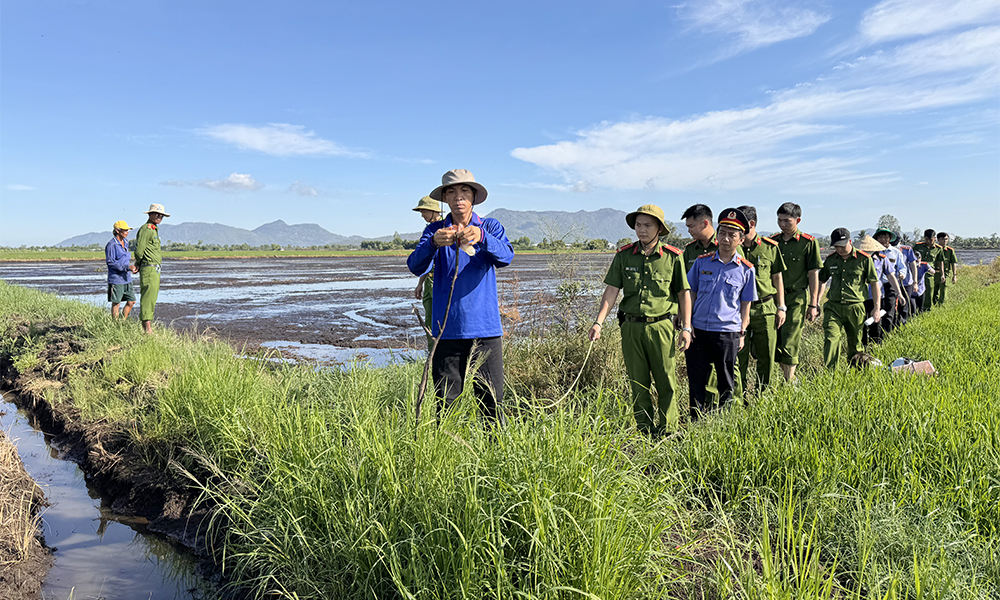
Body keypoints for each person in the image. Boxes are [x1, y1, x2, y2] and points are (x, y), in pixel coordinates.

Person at [406, 169, 513, 424]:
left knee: (491, 404)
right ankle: (447, 457)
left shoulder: (489, 226)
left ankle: (495, 458)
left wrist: (482, 238)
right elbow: (414, 266)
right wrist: (433, 244)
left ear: (474, 196)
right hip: (446, 331)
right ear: (445, 198)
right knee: (446, 405)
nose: (458, 197)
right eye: (451, 192)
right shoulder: (435, 231)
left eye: (464, 191)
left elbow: (507, 256)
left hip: (485, 330)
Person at [588, 205, 691, 436]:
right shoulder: (624, 256)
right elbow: (612, 290)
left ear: (659, 229)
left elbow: (684, 293)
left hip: (661, 327)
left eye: (648, 225)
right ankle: (645, 431)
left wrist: (686, 327)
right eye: (638, 225)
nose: (642, 230)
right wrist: (598, 322)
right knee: (638, 382)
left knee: (666, 381)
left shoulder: (673, 257)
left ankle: (668, 431)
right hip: (632, 328)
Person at [686, 208, 757, 420]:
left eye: (732, 235)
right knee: (697, 380)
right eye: (722, 233)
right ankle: (697, 421)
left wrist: (742, 332)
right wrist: (687, 326)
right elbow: (690, 293)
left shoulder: (746, 269)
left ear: (741, 239)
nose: (725, 238)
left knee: (726, 381)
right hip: (699, 330)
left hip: (727, 332)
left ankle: (724, 423)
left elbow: (746, 306)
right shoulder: (702, 262)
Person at [734, 205, 786, 398]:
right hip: (738, 310)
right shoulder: (733, 248)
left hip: (765, 307)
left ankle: (763, 397)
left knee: (766, 356)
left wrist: (781, 307)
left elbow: (777, 278)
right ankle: (738, 399)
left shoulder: (770, 247)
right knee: (738, 357)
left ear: (751, 224)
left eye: (739, 225)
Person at [771, 202, 822, 383]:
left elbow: (813, 274)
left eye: (787, 221)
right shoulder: (773, 242)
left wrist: (813, 303)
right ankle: (787, 375)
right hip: (773, 298)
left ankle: (789, 381)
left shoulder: (808, 243)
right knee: (773, 341)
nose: (782, 224)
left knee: (790, 339)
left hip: (796, 297)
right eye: (779, 220)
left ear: (798, 220)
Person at [818, 228, 879, 369]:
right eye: (836, 246)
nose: (839, 249)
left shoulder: (864, 259)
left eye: (842, 245)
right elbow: (822, 281)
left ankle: (856, 371)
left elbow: (875, 284)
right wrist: (815, 302)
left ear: (850, 242)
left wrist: (876, 308)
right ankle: (830, 373)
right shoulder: (831, 260)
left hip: (855, 308)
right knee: (831, 338)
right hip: (833, 307)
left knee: (855, 343)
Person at [681, 204, 723, 405]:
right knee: (698, 369)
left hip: (722, 319)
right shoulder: (690, 251)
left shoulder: (726, 245)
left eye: (691, 226)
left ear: (705, 223)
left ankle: (727, 410)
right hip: (696, 320)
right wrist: (681, 314)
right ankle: (699, 412)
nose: (688, 230)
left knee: (726, 369)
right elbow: (684, 287)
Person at [854, 235, 902, 346]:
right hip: (859, 297)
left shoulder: (882, 259)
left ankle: (876, 347)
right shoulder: (855, 260)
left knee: (876, 324)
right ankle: (862, 348)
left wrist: (899, 293)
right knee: (860, 324)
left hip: (876, 297)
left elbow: (891, 276)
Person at [412, 196, 445, 350]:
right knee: (430, 320)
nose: (422, 215)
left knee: (438, 321)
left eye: (424, 211)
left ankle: (437, 353)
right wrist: (420, 283)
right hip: (428, 281)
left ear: (433, 211)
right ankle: (432, 355)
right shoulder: (429, 231)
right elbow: (426, 260)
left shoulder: (445, 228)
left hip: (440, 282)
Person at [135, 204, 169, 334]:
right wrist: (138, 262)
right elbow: (139, 251)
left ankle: (148, 326)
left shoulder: (154, 230)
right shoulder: (147, 230)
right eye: (157, 214)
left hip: (155, 269)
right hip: (148, 267)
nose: (159, 216)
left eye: (161, 215)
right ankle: (147, 328)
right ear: (150, 214)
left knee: (152, 296)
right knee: (148, 296)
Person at [872, 228, 907, 334]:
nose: (883, 239)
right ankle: (876, 337)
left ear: (890, 238)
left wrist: (902, 274)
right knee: (877, 311)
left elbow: (902, 267)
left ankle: (886, 335)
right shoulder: (873, 253)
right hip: (876, 286)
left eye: (885, 237)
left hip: (890, 285)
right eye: (880, 237)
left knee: (889, 312)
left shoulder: (896, 253)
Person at [105, 220, 138, 319]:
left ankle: (123, 321)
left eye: (128, 230)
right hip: (116, 279)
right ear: (117, 231)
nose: (127, 232)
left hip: (127, 278)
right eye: (125, 230)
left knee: (131, 301)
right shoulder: (111, 245)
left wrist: (132, 267)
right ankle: (116, 325)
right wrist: (127, 267)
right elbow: (110, 263)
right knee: (116, 303)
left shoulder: (126, 242)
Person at [892, 232, 919, 323]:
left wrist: (915, 282)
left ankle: (902, 325)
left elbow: (913, 265)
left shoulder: (907, 249)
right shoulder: (885, 249)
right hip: (891, 283)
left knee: (904, 306)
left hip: (906, 283)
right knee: (891, 306)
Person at [913, 229, 941, 312]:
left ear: (934, 238)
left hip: (929, 273)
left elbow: (940, 262)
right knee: (916, 291)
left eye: (931, 240)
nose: (928, 241)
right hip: (918, 272)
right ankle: (916, 308)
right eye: (926, 239)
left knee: (929, 291)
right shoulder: (918, 246)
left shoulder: (938, 249)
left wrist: (940, 273)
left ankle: (927, 309)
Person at [932, 232, 958, 306]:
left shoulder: (950, 251)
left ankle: (941, 306)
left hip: (945, 274)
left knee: (943, 291)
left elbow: (953, 263)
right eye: (943, 239)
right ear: (938, 240)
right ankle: (934, 304)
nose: (945, 241)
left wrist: (954, 275)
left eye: (946, 239)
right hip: (935, 273)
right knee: (934, 291)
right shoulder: (934, 249)